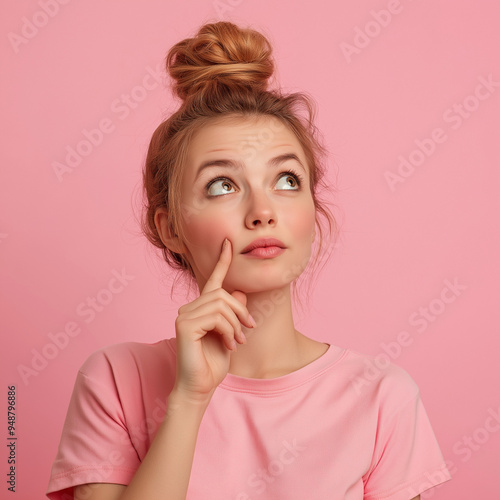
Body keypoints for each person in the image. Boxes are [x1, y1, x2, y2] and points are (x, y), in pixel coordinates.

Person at [46, 21, 451, 500]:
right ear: (170, 226)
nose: (262, 212)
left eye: (286, 180)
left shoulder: (383, 397)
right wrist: (189, 401)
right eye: (222, 185)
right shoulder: (116, 380)